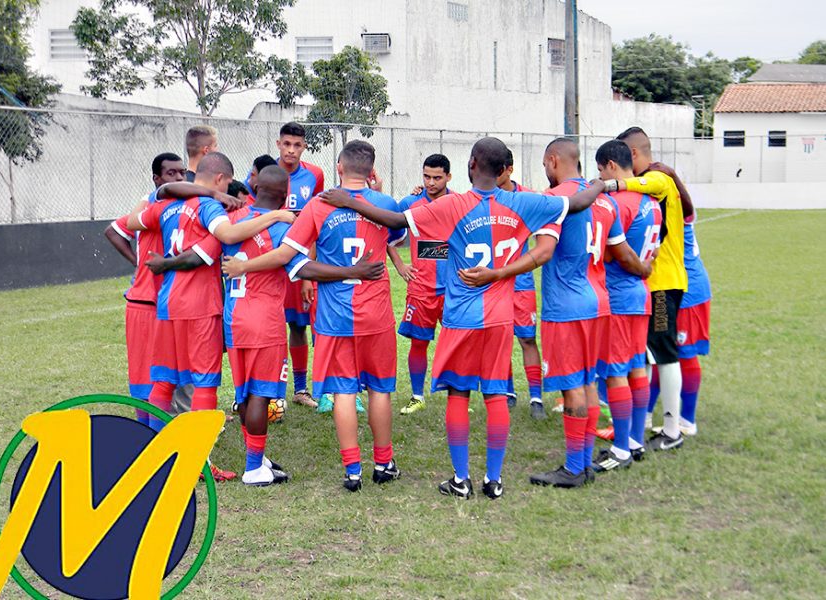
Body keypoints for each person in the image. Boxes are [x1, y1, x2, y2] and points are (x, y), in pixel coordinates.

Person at [323, 137, 606, 499]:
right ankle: (494, 480)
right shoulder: (524, 202)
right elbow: (581, 201)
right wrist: (601, 183)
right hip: (501, 318)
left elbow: (394, 220)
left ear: (471, 165)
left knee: (458, 395)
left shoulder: (453, 205)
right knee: (495, 395)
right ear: (505, 171)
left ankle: (460, 480)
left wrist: (350, 201)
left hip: (462, 319)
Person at [465, 139, 650, 489]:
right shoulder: (605, 200)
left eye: (545, 165)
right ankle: (584, 462)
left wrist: (497, 274)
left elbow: (544, 252)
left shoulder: (555, 201)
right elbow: (618, 252)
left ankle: (574, 467)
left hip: (566, 307)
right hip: (600, 302)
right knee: (589, 381)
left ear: (552, 160)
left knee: (572, 389)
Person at [225, 141, 406, 492]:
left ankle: (352, 469)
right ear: (371, 171)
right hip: (376, 313)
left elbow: (295, 259)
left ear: (338, 167)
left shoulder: (318, 205)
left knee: (342, 391)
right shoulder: (386, 204)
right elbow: (397, 234)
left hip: (335, 315)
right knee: (380, 389)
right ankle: (384, 463)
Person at [125, 152, 293, 481]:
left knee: (164, 381)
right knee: (205, 384)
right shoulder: (210, 208)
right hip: (199, 305)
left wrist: (160, 195)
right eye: (227, 184)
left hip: (166, 303)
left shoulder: (169, 205)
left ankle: (161, 457)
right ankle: (195, 461)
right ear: (219, 180)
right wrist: (275, 218)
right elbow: (226, 238)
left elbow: (130, 222)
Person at [602, 127, 694, 452]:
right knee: (645, 357)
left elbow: (650, 182)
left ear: (634, 156)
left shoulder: (658, 180)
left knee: (664, 355)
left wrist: (608, 184)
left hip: (661, 286)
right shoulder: (648, 196)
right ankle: (639, 426)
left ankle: (672, 429)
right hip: (651, 286)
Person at [104, 153, 210, 424]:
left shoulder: (180, 208)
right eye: (171, 174)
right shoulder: (154, 204)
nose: (178, 178)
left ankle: (177, 443)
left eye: (181, 173)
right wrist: (139, 262)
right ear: (157, 180)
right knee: (147, 383)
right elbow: (114, 230)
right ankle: (150, 442)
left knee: (174, 379)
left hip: (172, 303)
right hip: (146, 304)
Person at [592, 140, 662, 470]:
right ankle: (634, 439)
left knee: (616, 372)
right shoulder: (652, 202)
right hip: (641, 294)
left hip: (619, 295)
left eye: (600, 169)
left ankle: (621, 448)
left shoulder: (618, 202)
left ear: (609, 166)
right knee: (637, 368)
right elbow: (654, 249)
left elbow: (609, 251)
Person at [245, 122, 326, 409]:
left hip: (296, 260)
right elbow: (246, 210)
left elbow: (314, 224)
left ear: (304, 147)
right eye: (286, 144)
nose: (291, 150)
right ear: (278, 144)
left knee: (298, 325)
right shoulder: (265, 173)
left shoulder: (314, 175)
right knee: (266, 326)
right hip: (265, 259)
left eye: (297, 145)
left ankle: (300, 389)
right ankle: (257, 392)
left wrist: (307, 278)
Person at [389, 154, 453, 415]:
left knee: (455, 342)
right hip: (421, 288)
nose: (431, 182)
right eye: (426, 176)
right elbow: (389, 239)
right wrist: (401, 265)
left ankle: (456, 395)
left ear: (449, 177)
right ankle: (417, 396)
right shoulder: (410, 203)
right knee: (418, 343)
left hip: (453, 288)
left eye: (437, 177)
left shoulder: (458, 202)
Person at [650, 211, 711, 436]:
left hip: (687, 291)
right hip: (670, 287)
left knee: (683, 354)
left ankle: (687, 420)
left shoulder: (670, 205)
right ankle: (646, 413)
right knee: (659, 352)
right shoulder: (667, 202)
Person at [496, 149, 546, 419]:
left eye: (498, 170)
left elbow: (543, 239)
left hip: (522, 283)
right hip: (494, 284)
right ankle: (509, 392)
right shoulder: (487, 197)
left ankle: (536, 397)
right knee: (501, 339)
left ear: (509, 170)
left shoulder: (528, 198)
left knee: (527, 338)